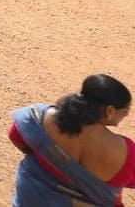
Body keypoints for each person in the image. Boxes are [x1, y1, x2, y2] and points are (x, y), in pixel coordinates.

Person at [9, 74, 135, 206]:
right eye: (125, 111)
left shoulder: (42, 117)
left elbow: (15, 135)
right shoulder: (126, 152)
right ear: (109, 111)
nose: (126, 114)